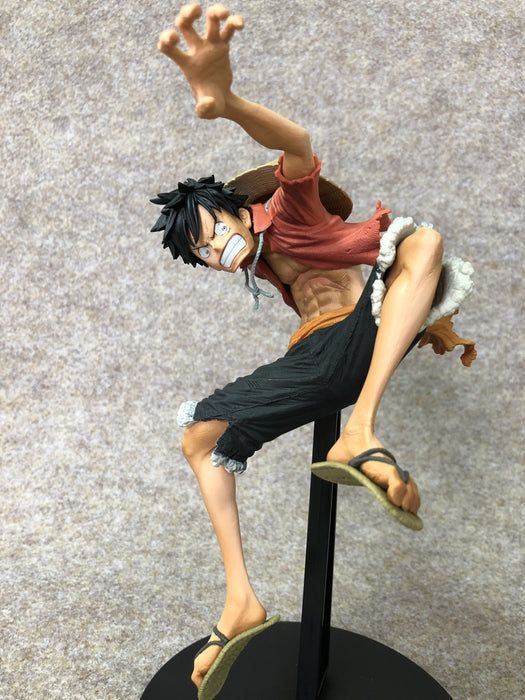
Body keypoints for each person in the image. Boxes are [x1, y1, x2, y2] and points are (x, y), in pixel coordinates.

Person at [150, 4, 475, 697]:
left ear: (244, 209)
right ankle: (240, 602)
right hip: (316, 356)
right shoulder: (259, 264)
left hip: (359, 334)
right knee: (200, 436)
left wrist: (227, 102)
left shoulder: (291, 212)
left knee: (422, 239)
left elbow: (296, 145)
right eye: (202, 252)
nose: (215, 251)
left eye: (214, 231)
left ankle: (360, 432)